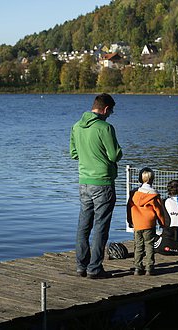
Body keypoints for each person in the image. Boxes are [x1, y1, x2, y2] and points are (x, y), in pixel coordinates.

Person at [70, 93, 123, 279]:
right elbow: (115, 155)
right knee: (101, 226)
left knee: (83, 225)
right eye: (111, 111)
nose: (111, 114)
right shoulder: (106, 128)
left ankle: (80, 266)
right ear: (106, 109)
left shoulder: (76, 127)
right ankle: (94, 268)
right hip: (103, 183)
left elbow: (73, 154)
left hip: (84, 182)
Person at [127, 168, 166, 276]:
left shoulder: (134, 194)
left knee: (138, 245)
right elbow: (159, 211)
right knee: (149, 245)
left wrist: (130, 220)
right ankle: (149, 267)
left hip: (137, 224)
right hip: (149, 224)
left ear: (140, 179)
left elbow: (129, 208)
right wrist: (162, 223)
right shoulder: (154, 195)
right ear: (152, 179)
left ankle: (137, 267)